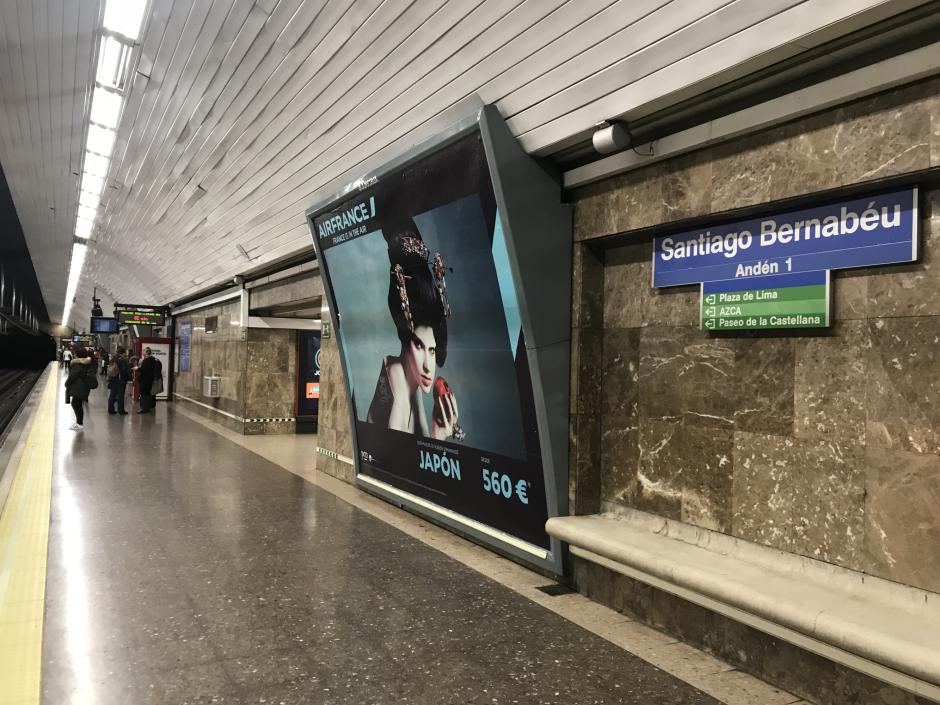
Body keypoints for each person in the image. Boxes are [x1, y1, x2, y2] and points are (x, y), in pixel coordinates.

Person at [366, 227, 461, 441]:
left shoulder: (413, 383)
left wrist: (440, 432)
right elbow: (397, 459)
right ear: (407, 342)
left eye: (432, 350)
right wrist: (438, 437)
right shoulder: (398, 375)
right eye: (419, 346)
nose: (429, 365)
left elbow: (418, 455)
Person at [64, 347, 95, 430]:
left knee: (75, 404)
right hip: (83, 387)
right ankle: (79, 422)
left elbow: (72, 376)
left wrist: (66, 383)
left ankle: (79, 423)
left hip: (79, 388)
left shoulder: (77, 364)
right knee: (77, 404)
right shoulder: (86, 362)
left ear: (77, 355)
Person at [136, 347, 161, 414]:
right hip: (149, 380)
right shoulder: (153, 359)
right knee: (147, 394)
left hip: (145, 380)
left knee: (144, 394)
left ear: (147, 352)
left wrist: (137, 369)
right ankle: (147, 407)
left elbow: (144, 370)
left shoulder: (147, 360)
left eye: (143, 351)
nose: (142, 352)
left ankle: (144, 408)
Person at [107, 347, 130, 416]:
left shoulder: (113, 358)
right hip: (120, 379)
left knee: (112, 394)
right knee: (120, 395)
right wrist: (127, 378)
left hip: (113, 378)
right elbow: (124, 371)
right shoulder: (123, 360)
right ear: (123, 353)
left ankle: (110, 410)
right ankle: (121, 410)